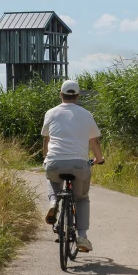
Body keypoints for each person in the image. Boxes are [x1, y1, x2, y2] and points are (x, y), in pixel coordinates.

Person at [41, 80, 104, 252]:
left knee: (52, 181)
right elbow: (94, 141)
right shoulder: (86, 114)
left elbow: (46, 139)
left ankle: (54, 202)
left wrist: (46, 158)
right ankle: (82, 237)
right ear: (77, 96)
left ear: (61, 95)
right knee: (81, 199)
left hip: (55, 161)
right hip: (78, 164)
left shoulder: (51, 113)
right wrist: (99, 158)